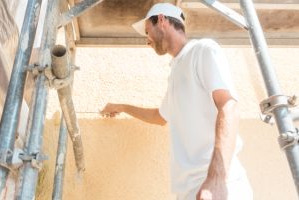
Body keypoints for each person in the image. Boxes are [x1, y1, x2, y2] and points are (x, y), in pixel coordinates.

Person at [101, 3, 253, 200]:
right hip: (189, 191)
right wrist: (121, 107)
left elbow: (229, 106)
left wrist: (216, 179)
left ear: (162, 20)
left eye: (147, 31)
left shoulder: (202, 51)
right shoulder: (175, 73)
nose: (147, 41)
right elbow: (160, 116)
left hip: (220, 186)